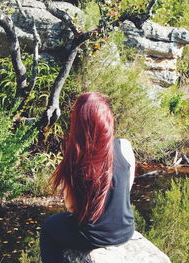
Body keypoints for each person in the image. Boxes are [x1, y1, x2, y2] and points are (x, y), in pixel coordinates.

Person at [40, 92, 135, 263]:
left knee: (49, 227)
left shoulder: (76, 158)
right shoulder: (125, 146)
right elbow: (126, 189)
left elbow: (71, 207)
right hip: (125, 231)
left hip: (94, 238)